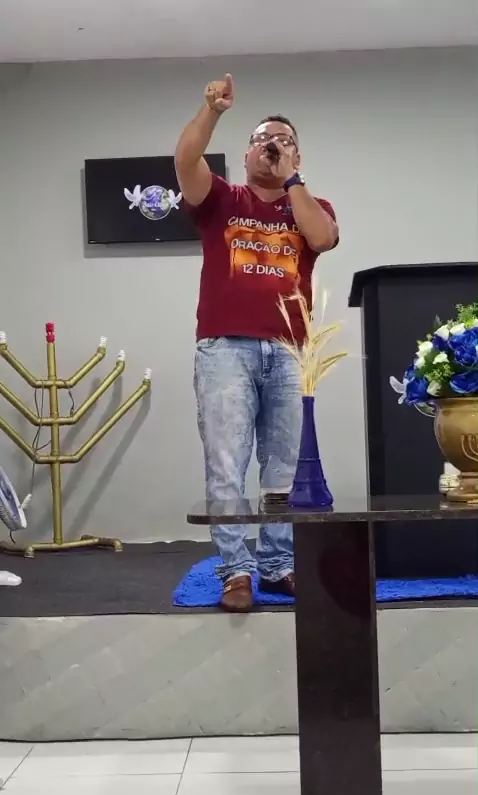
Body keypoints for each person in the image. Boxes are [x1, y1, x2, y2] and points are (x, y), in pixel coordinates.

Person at [175, 73, 339, 613]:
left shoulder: (312, 203)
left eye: (284, 140)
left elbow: (322, 238)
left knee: (283, 469)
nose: (272, 145)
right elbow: (185, 161)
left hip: (291, 352)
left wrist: (293, 180)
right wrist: (212, 110)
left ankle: (277, 562)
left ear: (298, 156)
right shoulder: (223, 198)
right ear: (246, 152)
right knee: (226, 464)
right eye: (263, 138)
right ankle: (235, 571)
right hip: (225, 349)